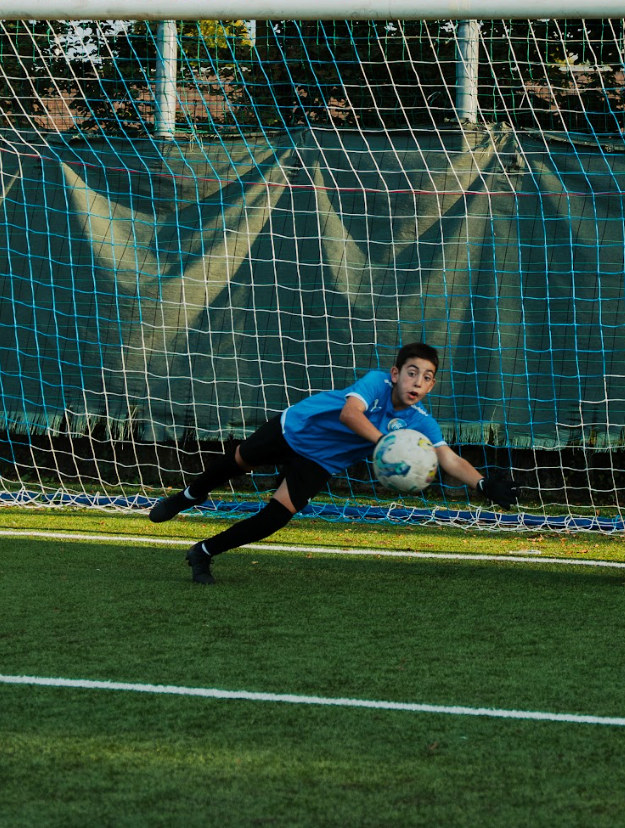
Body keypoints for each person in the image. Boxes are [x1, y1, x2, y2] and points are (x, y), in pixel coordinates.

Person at [150, 342, 518, 584]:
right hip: (296, 427)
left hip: (321, 460)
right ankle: (188, 496)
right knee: (236, 462)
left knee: (277, 516)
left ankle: (203, 552)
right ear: (395, 374)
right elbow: (349, 414)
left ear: (431, 386)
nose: (417, 382)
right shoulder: (375, 383)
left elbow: (447, 457)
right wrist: (387, 443)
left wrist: (482, 483)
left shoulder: (421, 421)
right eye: (411, 372)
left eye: (427, 377)